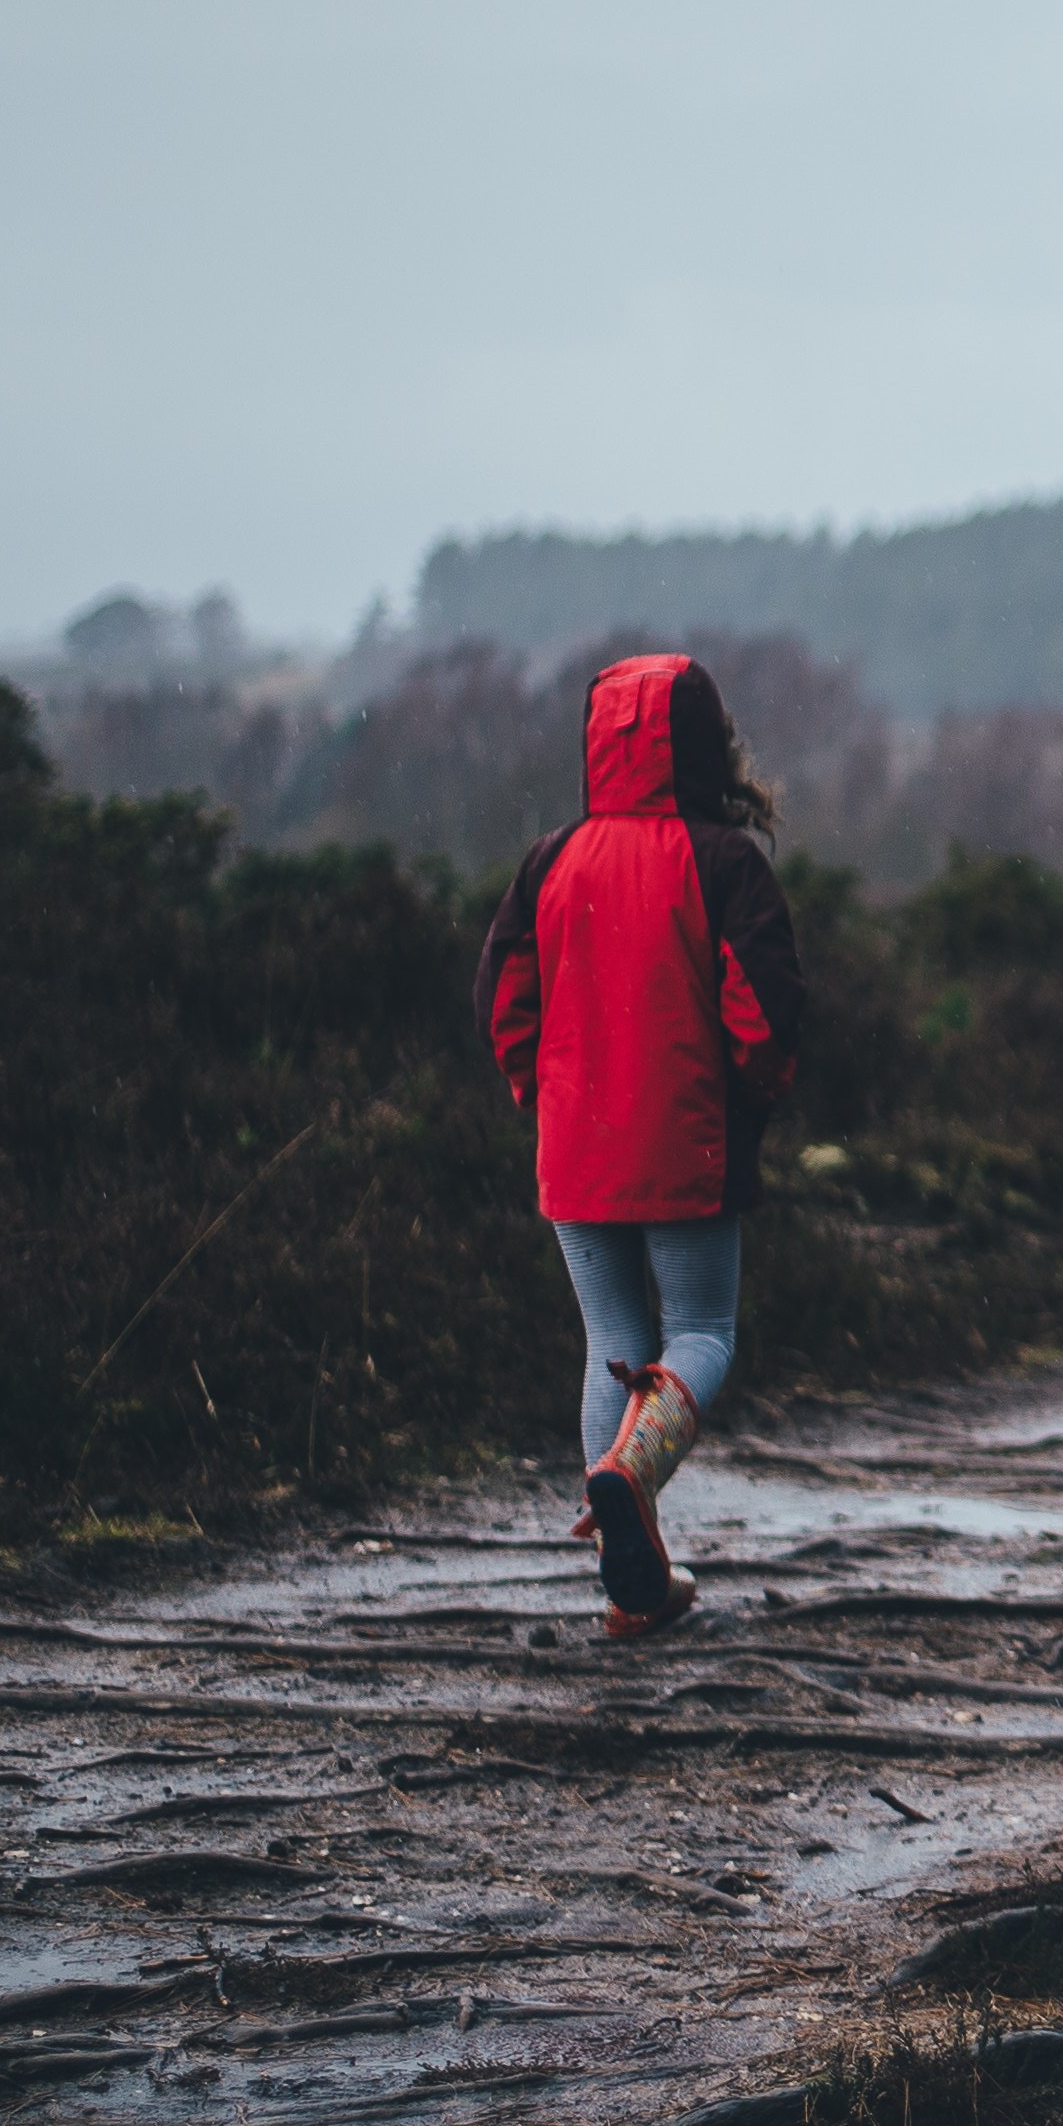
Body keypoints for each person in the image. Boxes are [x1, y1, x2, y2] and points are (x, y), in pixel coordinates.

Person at [473, 653, 805, 1635]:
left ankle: (634, 1587)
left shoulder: (550, 857)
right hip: (686, 1139)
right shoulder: (724, 860)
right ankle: (631, 1474)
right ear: (706, 744)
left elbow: (503, 996)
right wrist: (749, 1100)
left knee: (610, 1343)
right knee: (702, 1335)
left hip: (574, 1147)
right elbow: (767, 1015)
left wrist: (542, 1091)